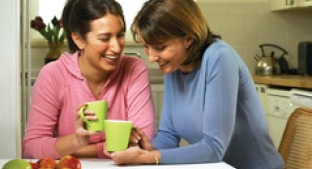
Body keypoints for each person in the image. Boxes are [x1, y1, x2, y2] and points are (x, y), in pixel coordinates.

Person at [109, 0, 285, 168]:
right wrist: (144, 148)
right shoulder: (175, 65)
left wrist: (151, 157)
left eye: (160, 47)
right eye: (147, 46)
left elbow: (214, 148)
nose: (152, 57)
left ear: (188, 39)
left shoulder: (219, 58)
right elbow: (168, 135)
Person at [22, 0, 155, 159]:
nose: (117, 47)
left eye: (120, 35)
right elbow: (31, 148)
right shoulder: (53, 75)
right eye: (104, 38)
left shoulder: (135, 69)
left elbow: (142, 141)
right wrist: (77, 141)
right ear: (79, 40)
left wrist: (67, 149)